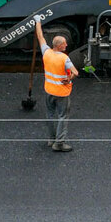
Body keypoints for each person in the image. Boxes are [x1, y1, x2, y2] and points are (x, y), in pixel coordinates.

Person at [34, 15, 78, 152]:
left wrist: (38, 21)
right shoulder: (64, 59)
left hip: (49, 91)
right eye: (64, 43)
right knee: (63, 117)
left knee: (50, 115)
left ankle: (51, 139)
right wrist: (69, 78)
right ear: (59, 46)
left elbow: (40, 37)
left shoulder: (46, 52)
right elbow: (75, 73)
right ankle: (59, 143)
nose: (66, 45)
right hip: (62, 92)